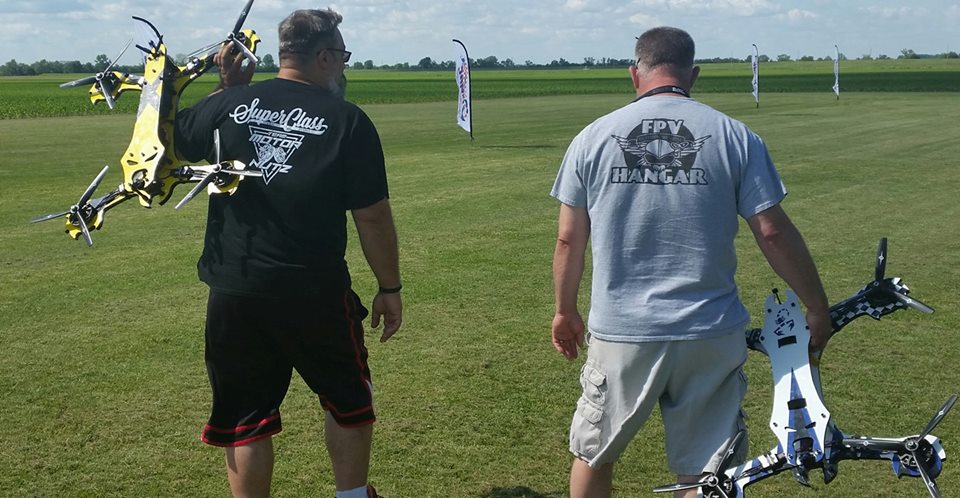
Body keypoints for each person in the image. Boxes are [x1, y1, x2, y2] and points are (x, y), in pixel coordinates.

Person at [549, 27, 830, 498]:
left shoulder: (591, 138)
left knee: (594, 454)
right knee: (707, 472)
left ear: (634, 74)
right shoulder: (735, 136)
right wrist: (816, 305)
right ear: (693, 74)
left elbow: (567, 239)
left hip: (622, 332)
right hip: (710, 330)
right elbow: (773, 231)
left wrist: (564, 310)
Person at [174, 8, 401, 498]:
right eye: (342, 56)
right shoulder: (348, 121)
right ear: (325, 57)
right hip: (315, 290)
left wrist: (226, 88)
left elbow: (176, 137)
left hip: (235, 289)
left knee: (246, 417)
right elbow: (373, 217)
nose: (343, 67)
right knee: (348, 398)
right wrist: (389, 287)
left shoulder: (229, 102)